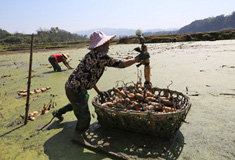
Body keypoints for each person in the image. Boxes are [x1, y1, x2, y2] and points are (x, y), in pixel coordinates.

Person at [52, 31, 150, 133]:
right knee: (85, 118)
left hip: (75, 88)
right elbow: (120, 64)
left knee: (78, 103)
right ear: (101, 45)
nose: (108, 46)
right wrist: (137, 58)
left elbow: (90, 76)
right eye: (106, 44)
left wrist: (98, 91)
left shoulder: (91, 55)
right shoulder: (99, 56)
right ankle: (78, 135)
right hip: (75, 89)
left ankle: (58, 112)